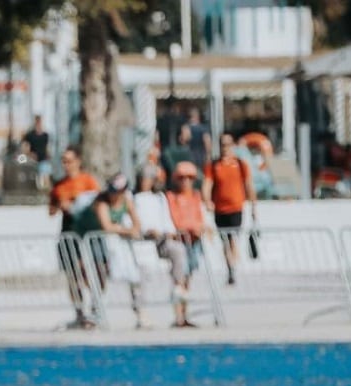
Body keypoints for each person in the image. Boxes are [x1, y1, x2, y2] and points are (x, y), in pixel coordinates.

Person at [73, 172, 145, 328]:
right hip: (84, 236)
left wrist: (130, 230)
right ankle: (88, 313)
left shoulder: (126, 200)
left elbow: (137, 224)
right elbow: (107, 226)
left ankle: (96, 311)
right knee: (87, 275)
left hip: (102, 240)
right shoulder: (101, 202)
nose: (114, 195)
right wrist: (126, 230)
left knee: (103, 274)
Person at [133, 165, 193, 327]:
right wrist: (146, 231)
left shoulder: (159, 198)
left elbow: (166, 218)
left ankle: (178, 286)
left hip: (161, 240)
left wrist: (169, 231)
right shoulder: (133, 199)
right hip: (142, 243)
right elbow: (132, 220)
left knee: (178, 251)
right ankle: (141, 313)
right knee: (142, 277)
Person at [49, 146, 101, 328]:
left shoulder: (88, 181)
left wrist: (75, 203)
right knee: (73, 276)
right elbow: (51, 210)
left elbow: (97, 203)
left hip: (87, 233)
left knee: (92, 272)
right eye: (63, 161)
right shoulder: (59, 185)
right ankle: (80, 313)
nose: (66, 165)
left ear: (78, 161)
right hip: (68, 234)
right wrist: (60, 206)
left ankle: (95, 309)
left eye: (69, 161)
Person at [202, 133, 256, 285]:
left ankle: (232, 267)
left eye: (228, 144)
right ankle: (230, 267)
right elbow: (207, 184)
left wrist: (253, 205)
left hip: (236, 208)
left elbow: (248, 185)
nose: (225, 148)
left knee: (232, 238)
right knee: (224, 240)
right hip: (220, 209)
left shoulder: (240, 164)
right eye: (222, 145)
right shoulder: (214, 165)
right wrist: (207, 200)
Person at [22, 115, 52, 190]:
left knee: (45, 177)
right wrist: (29, 154)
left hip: (43, 158)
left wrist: (48, 155)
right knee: (34, 179)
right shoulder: (30, 135)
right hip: (33, 160)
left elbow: (47, 146)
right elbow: (25, 146)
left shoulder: (45, 135)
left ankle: (46, 192)